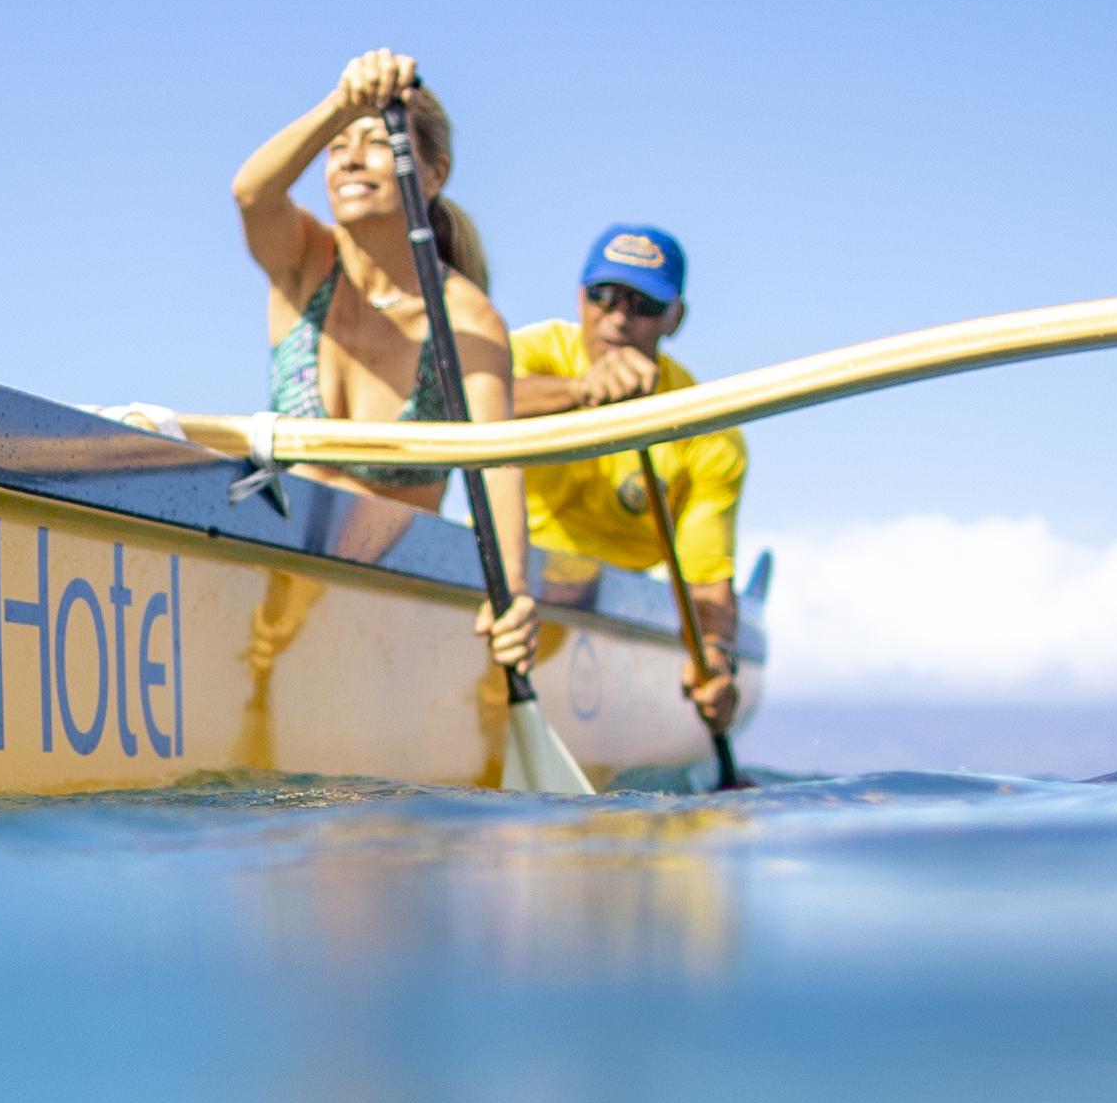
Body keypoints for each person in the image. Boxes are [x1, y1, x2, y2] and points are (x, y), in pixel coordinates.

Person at [230, 49, 540, 673]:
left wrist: (514, 594)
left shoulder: (466, 319)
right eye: (337, 145)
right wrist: (344, 103)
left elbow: (497, 461)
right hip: (273, 585)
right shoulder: (301, 261)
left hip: (383, 611)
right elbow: (251, 191)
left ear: (432, 176)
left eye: (374, 142)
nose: (348, 157)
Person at [506, 221, 747, 731]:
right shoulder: (535, 353)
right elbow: (469, 403)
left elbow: (705, 581)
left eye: (643, 305)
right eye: (604, 296)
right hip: (513, 583)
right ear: (579, 297)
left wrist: (716, 656)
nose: (618, 318)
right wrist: (579, 391)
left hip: (619, 602)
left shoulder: (710, 434)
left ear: (675, 318)